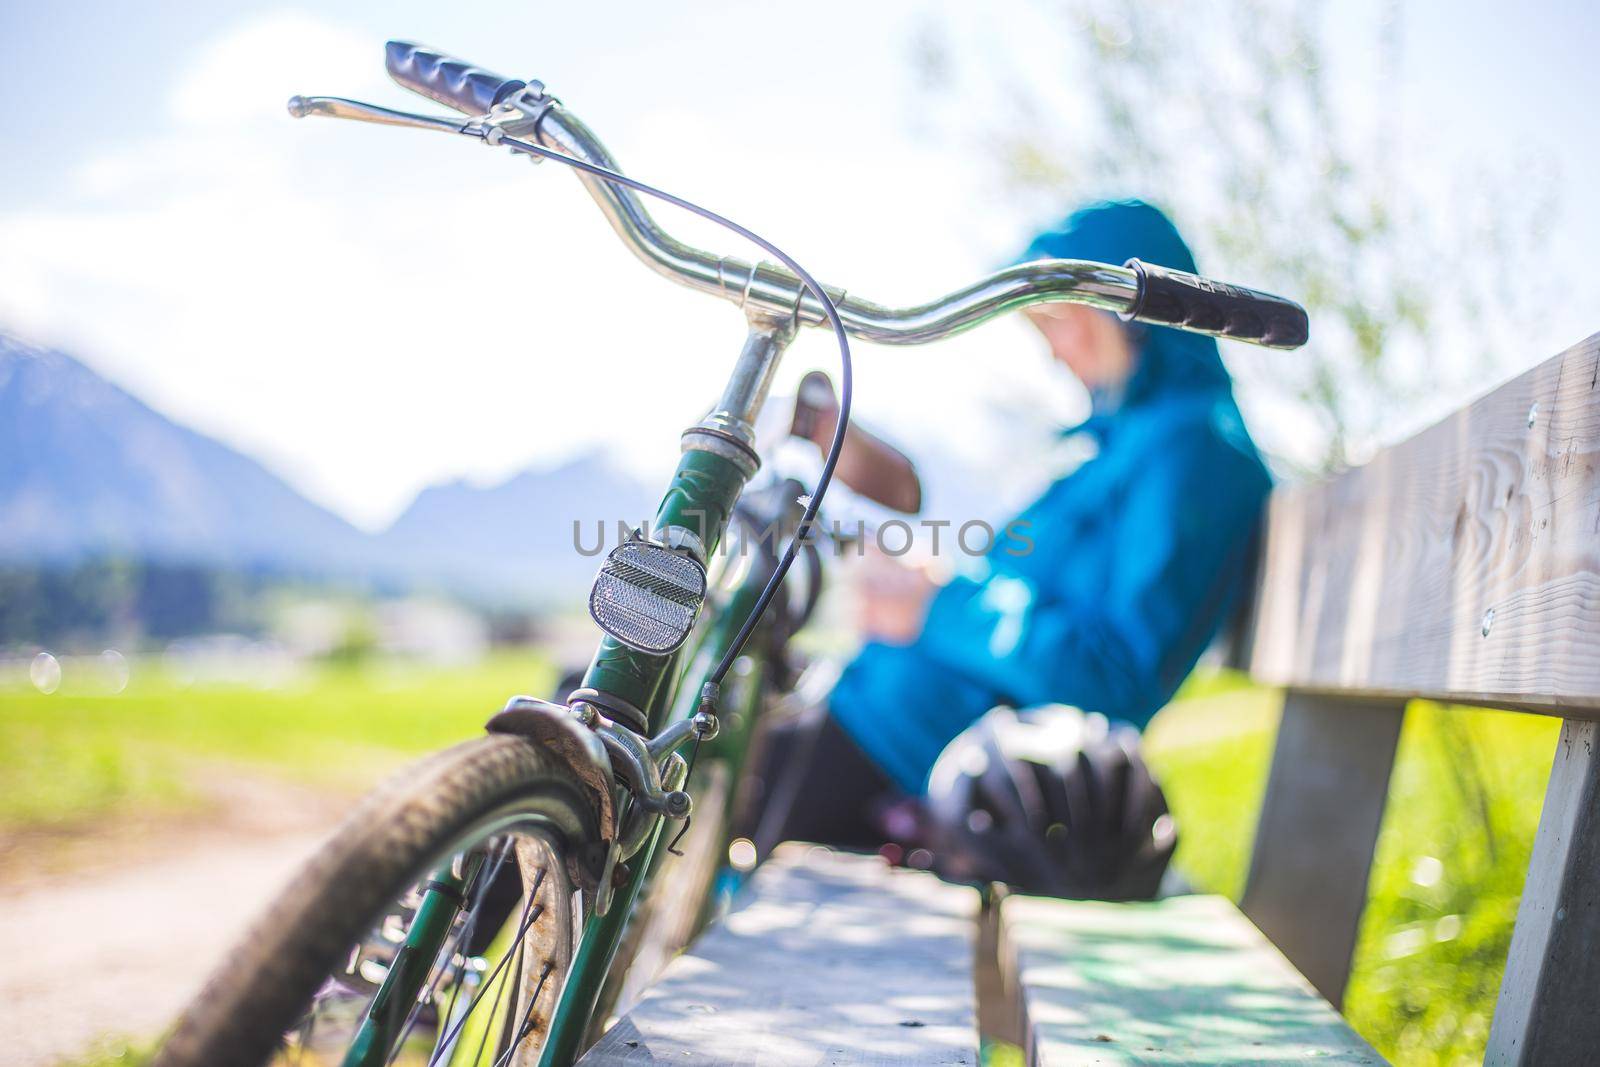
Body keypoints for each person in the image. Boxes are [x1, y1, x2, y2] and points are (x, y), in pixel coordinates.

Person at [763, 199, 1272, 861]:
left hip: (931, 763)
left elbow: (1114, 684)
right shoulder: (1116, 446)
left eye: (1056, 323)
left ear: (1128, 306)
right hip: (886, 723)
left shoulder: (1197, 454)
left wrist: (936, 603)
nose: (1054, 355)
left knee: (665, 790)